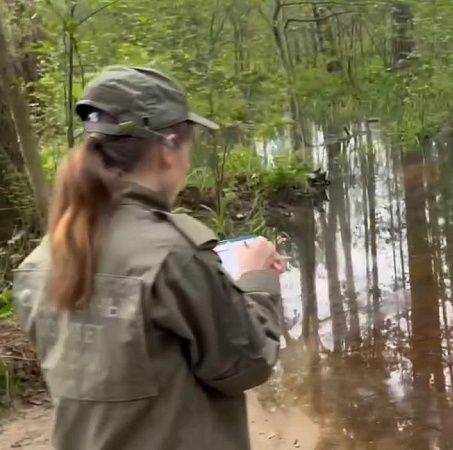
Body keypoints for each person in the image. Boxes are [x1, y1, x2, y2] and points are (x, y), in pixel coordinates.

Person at [12, 66, 285, 450]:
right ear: (169, 147)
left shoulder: (40, 262)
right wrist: (258, 281)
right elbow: (245, 364)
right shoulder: (174, 256)